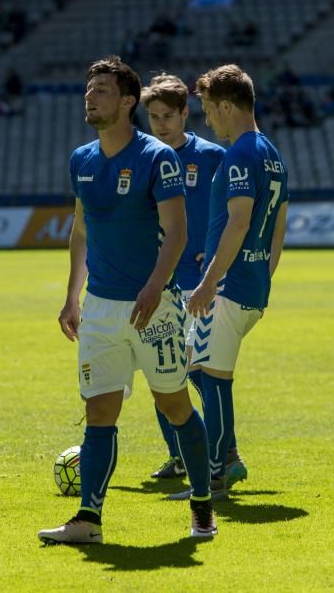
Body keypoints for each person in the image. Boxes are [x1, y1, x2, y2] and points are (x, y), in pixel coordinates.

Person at [38, 56, 217, 545]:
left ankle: (202, 505)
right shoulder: (82, 159)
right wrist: (72, 297)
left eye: (101, 90)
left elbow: (177, 232)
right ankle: (88, 520)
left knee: (175, 405)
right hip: (98, 309)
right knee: (99, 413)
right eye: (88, 88)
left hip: (154, 308)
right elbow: (80, 231)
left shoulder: (157, 156)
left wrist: (156, 286)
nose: (90, 96)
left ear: (127, 101)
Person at [169, 64, 288, 501]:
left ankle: (216, 476)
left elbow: (238, 223)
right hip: (250, 285)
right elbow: (279, 227)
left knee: (210, 378)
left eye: (207, 110)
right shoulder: (271, 152)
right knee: (192, 366)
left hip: (227, 287)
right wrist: (262, 274)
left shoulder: (240, 153)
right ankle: (226, 457)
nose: (208, 120)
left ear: (225, 105)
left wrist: (210, 281)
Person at [140, 73, 250, 486]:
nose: (161, 124)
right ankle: (180, 455)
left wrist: (214, 248)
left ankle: (228, 453)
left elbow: (235, 209)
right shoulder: (144, 156)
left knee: (203, 372)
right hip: (158, 279)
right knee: (160, 369)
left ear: (186, 113)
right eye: (153, 117)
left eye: (168, 115)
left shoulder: (211, 156)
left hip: (198, 281)